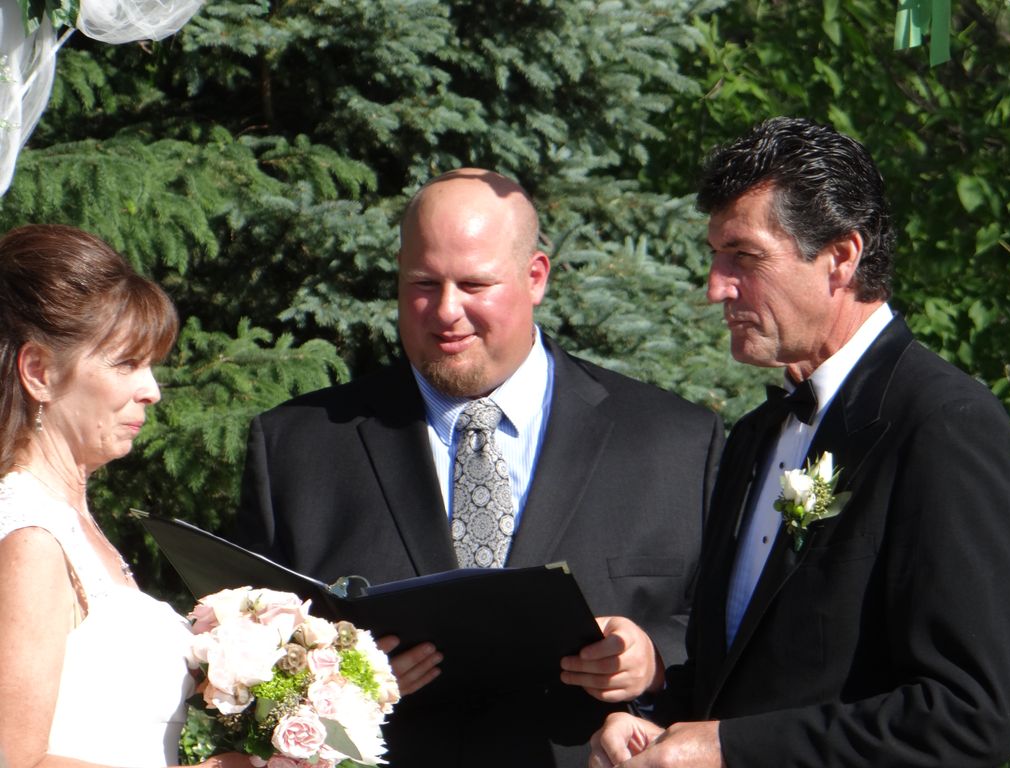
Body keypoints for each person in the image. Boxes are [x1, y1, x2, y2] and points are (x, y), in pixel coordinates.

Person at [233, 168, 724, 767]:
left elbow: (724, 627)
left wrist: (652, 659)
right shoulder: (298, 448)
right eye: (422, 283)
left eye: (474, 284)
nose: (446, 311)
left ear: (535, 276)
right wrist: (337, 679)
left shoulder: (674, 441)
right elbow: (241, 656)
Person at [589, 116, 1010, 768]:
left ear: (841, 258)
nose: (716, 287)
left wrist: (726, 749)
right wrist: (658, 713)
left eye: (745, 257)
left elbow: (969, 718)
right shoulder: (755, 434)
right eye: (715, 256)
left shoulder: (942, 425)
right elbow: (749, 683)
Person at [0, 225, 248, 768]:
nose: (152, 389)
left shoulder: (65, 523)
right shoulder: (30, 540)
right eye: (126, 363)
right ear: (39, 372)